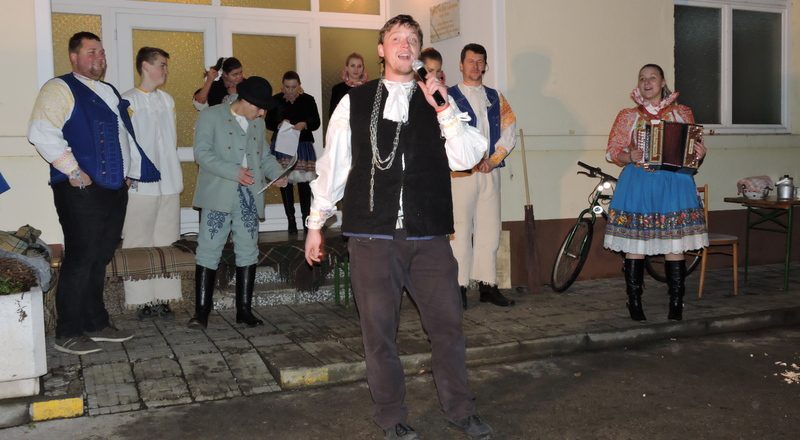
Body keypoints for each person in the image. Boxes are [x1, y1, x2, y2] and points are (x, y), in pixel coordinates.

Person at [305, 14, 494, 440]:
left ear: (419, 50)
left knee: (448, 328)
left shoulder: (442, 99)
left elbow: (467, 157)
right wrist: (316, 224)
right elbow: (333, 166)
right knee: (379, 335)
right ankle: (391, 417)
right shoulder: (354, 101)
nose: (405, 45)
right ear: (382, 49)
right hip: (372, 237)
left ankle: (460, 409)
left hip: (429, 237)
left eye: (412, 38)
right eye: (396, 38)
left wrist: (442, 108)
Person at [28, 31, 160, 355]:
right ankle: (68, 332)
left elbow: (123, 134)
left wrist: (130, 174)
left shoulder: (109, 91)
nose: (99, 58)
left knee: (100, 256)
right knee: (81, 256)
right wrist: (72, 170)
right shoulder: (59, 88)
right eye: (91, 52)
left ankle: (95, 323)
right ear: (73, 57)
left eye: (101, 52)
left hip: (114, 188)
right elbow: (41, 131)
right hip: (81, 189)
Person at [603, 63, 708, 322]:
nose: (647, 82)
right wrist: (629, 155)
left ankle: (676, 302)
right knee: (635, 244)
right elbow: (612, 152)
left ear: (662, 83)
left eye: (652, 78)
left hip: (674, 184)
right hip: (639, 183)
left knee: (675, 243)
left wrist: (699, 153)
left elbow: (692, 149)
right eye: (642, 78)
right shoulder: (628, 115)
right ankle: (634, 301)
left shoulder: (682, 112)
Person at [188, 76, 288, 329]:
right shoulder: (211, 116)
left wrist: (278, 173)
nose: (262, 113)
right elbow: (201, 154)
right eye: (260, 108)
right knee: (209, 248)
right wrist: (234, 172)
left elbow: (264, 156)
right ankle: (201, 312)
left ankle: (244, 310)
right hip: (218, 192)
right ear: (247, 102)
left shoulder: (257, 123)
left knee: (248, 249)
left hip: (249, 194)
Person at [448, 43, 517, 309]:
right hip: (461, 174)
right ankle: (459, 287)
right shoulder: (449, 96)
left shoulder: (496, 97)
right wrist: (470, 159)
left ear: (485, 65)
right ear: (461, 65)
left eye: (480, 61)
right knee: (460, 229)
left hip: (490, 171)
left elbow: (509, 128)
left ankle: (488, 285)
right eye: (471, 61)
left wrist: (494, 159)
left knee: (489, 228)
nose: (476, 66)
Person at [121, 47, 183, 319]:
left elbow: (170, 140)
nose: (165, 70)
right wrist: (128, 174)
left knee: (167, 240)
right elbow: (124, 142)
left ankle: (165, 297)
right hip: (141, 184)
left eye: (166, 65)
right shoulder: (128, 100)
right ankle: (141, 299)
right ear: (145, 66)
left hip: (168, 180)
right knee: (138, 240)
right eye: (161, 65)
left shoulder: (167, 100)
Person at [266, 71, 321, 234]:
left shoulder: (308, 100)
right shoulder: (275, 100)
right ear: (282, 86)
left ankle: (306, 220)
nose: (290, 90)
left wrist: (304, 124)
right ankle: (291, 221)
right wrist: (279, 123)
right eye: (287, 87)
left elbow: (316, 122)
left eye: (293, 87)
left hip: (302, 145)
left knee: (304, 185)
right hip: (282, 146)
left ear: (299, 86)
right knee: (285, 183)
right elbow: (268, 122)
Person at [329, 52, 367, 117]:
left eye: (359, 66)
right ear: (346, 68)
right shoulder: (337, 89)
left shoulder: (369, 89)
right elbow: (332, 115)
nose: (356, 69)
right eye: (352, 66)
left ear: (363, 68)